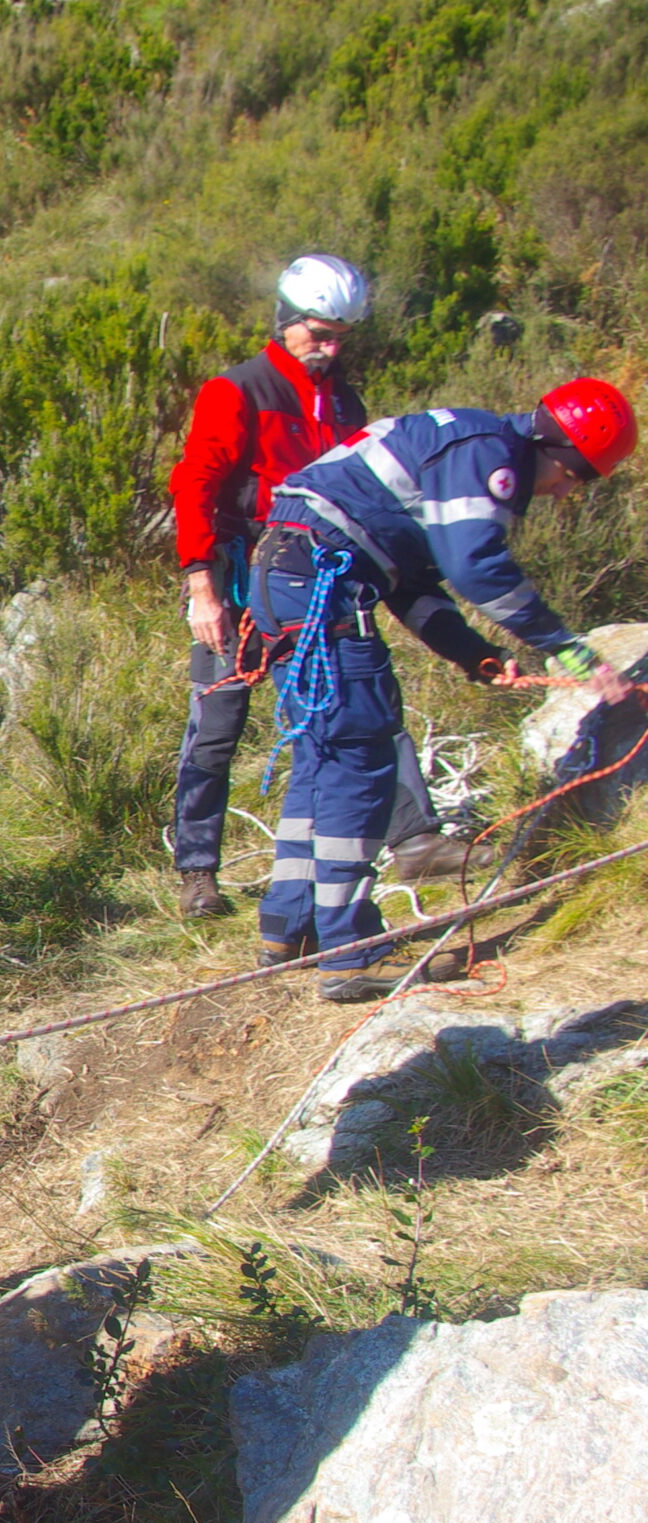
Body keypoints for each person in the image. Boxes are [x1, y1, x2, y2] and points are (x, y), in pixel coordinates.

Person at [251, 378, 639, 1001]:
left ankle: (289, 924)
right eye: (578, 474)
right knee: (361, 757)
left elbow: (412, 586)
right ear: (557, 444)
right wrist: (567, 647)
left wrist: (478, 656)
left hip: (285, 577)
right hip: (320, 589)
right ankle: (350, 953)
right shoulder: (489, 452)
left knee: (324, 753)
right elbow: (474, 566)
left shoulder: (458, 441)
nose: (568, 492)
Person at [167, 253, 467, 925]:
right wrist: (203, 588)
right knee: (216, 728)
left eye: (339, 336)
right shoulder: (238, 390)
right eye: (317, 334)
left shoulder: (344, 403)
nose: (328, 349)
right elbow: (195, 486)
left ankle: (415, 837)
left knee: (358, 703)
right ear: (286, 322)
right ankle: (197, 871)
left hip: (319, 584)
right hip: (240, 583)